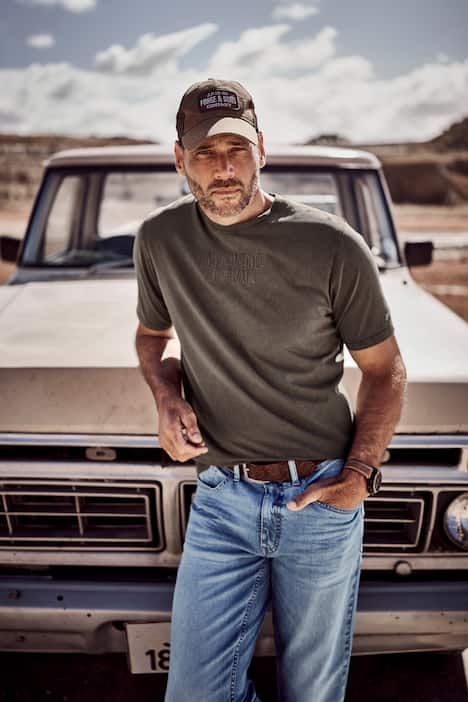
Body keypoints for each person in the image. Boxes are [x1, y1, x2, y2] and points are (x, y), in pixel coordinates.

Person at [133, 78, 407, 702]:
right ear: (179, 159)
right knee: (196, 694)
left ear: (262, 150)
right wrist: (166, 398)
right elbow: (152, 338)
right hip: (221, 499)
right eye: (205, 152)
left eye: (237, 148)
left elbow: (385, 368)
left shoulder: (331, 244)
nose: (224, 168)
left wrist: (359, 475)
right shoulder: (161, 239)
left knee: (312, 692)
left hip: (322, 497)